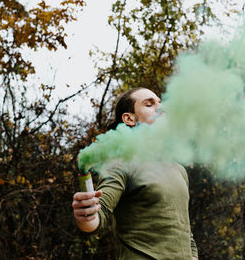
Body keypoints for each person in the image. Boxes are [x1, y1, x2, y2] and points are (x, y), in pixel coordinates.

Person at [72, 88, 198, 260]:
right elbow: (96, 219)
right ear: (129, 118)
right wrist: (86, 214)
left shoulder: (178, 168)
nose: (160, 108)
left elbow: (184, 230)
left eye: (160, 103)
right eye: (149, 104)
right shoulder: (119, 164)